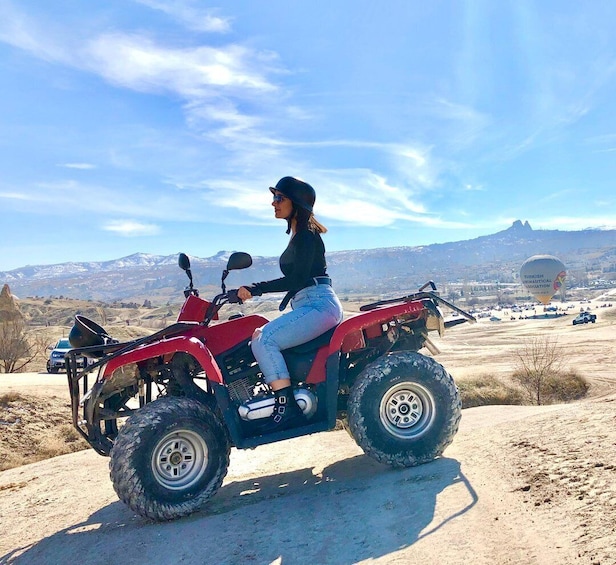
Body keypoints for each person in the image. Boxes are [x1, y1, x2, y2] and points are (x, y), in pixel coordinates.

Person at [237, 176, 343, 432]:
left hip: (318, 305)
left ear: (295, 202)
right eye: (273, 197)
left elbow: (296, 278)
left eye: (279, 198)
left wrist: (256, 289)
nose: (273, 203)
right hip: (309, 304)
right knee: (260, 335)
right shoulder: (299, 235)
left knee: (264, 339)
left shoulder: (307, 235)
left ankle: (288, 409)